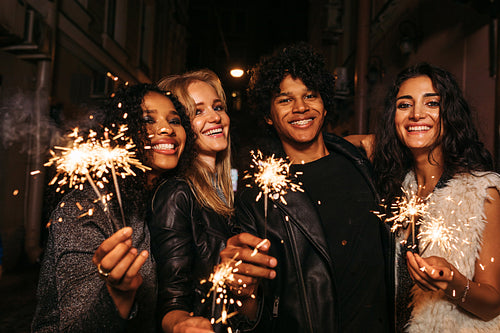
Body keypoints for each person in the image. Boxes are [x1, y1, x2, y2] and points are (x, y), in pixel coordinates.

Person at [220, 43, 392, 332]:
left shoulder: (362, 161)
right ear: (268, 114)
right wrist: (242, 290)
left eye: (310, 95)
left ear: (324, 106)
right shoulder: (258, 196)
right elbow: (251, 312)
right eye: (285, 100)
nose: (301, 107)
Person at [32, 83, 194, 332]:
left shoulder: (159, 202)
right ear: (122, 133)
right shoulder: (84, 208)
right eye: (147, 119)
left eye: (174, 121)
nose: (166, 129)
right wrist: (117, 295)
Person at [372, 62, 500, 332]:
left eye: (431, 103)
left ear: (449, 114)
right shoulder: (391, 188)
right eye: (404, 105)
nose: (417, 114)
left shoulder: (482, 193)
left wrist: (452, 281)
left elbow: (492, 304)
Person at [150, 69, 239, 333]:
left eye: (218, 106)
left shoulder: (230, 194)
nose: (215, 117)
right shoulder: (177, 194)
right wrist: (181, 324)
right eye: (197, 111)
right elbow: (171, 298)